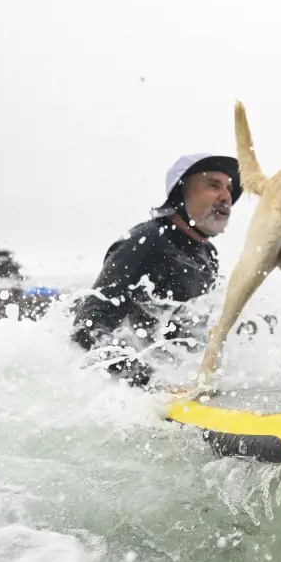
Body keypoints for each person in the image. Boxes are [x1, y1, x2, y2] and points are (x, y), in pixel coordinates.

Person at [71, 153, 242, 388]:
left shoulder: (208, 253)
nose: (226, 197)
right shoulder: (145, 240)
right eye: (213, 185)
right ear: (180, 193)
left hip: (182, 374)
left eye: (229, 189)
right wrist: (152, 381)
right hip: (139, 391)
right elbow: (88, 326)